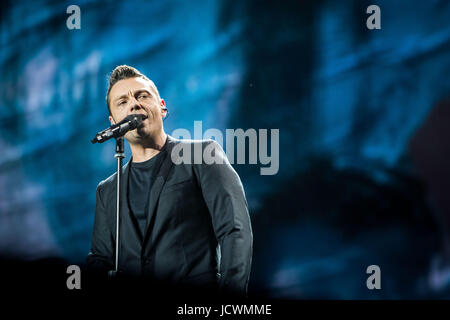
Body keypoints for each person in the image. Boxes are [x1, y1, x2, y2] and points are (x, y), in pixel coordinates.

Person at [86, 65, 253, 297]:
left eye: (142, 95)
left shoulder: (202, 156)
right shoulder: (107, 191)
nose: (134, 104)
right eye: (122, 101)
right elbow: (100, 259)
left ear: (162, 107)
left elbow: (235, 230)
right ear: (114, 122)